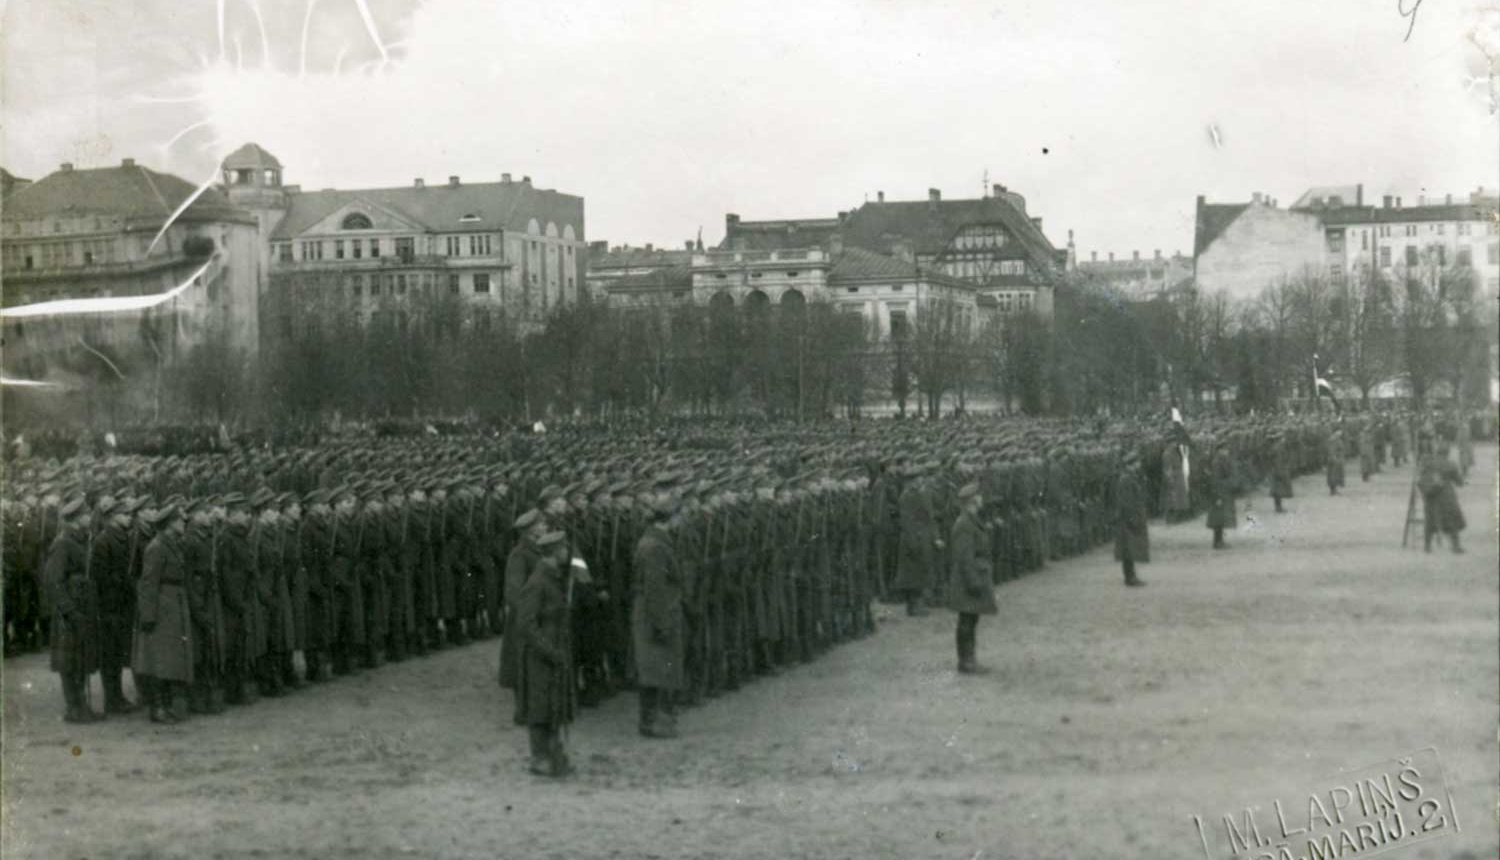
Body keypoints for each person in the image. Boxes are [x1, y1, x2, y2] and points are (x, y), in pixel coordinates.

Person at [514, 530, 576, 777]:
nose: (566, 553)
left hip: (554, 650)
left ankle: (553, 753)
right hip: (542, 655)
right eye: (563, 549)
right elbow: (526, 623)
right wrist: (549, 651)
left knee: (553, 703)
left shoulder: (553, 577)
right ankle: (539, 757)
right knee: (540, 706)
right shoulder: (538, 582)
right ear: (553, 553)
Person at [133, 501, 194, 724]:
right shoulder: (156, 547)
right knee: (158, 658)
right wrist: (148, 615)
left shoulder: (172, 543)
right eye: (180, 520)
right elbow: (148, 583)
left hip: (174, 603)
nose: (184, 523)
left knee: (170, 657)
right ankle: (157, 708)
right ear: (169, 524)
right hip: (163, 606)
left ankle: (167, 705)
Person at [44, 496, 103, 723]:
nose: (90, 517)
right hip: (68, 612)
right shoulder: (63, 543)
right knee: (69, 661)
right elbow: (53, 581)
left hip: (82, 607)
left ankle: (81, 705)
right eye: (86, 514)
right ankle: (74, 708)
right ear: (76, 519)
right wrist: (69, 610)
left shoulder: (80, 539)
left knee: (79, 657)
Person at [632, 490, 685, 739]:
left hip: (656, 612)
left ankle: (656, 719)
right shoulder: (655, 546)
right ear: (669, 518)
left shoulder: (655, 541)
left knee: (658, 667)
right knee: (653, 669)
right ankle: (650, 722)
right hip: (655, 614)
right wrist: (662, 623)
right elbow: (655, 589)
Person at [947, 483, 995, 673]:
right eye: (979, 497)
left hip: (972, 577)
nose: (982, 500)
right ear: (972, 501)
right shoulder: (964, 524)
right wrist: (973, 581)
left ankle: (969, 659)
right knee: (967, 620)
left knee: (971, 620)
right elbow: (964, 557)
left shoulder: (970, 520)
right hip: (967, 580)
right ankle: (966, 662)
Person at [1418, 442, 1466, 554]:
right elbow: (1460, 482)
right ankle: (1456, 546)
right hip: (1447, 495)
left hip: (1432, 496)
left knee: (1430, 520)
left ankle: (1427, 546)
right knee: (1452, 519)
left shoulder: (1430, 462)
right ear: (1448, 453)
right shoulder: (1451, 464)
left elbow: (1422, 477)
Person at [1112, 451, 1149, 587]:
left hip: (1129, 517)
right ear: (1131, 464)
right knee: (1128, 549)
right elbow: (1126, 502)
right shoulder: (1126, 479)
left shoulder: (1129, 477)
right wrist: (1132, 518)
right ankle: (1129, 577)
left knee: (1130, 548)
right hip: (1128, 518)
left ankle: (1131, 575)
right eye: (1137, 462)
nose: (1139, 464)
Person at [1204, 439, 1237, 550]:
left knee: (1221, 518)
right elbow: (1215, 480)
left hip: (1223, 492)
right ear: (1219, 450)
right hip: (1219, 493)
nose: (1227, 451)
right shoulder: (1217, 462)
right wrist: (1217, 496)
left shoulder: (1221, 460)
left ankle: (1219, 541)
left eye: (1227, 449)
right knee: (1218, 519)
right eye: (1224, 449)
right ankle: (1217, 542)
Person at [1268, 432, 1294, 514]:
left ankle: (1278, 507)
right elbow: (1278, 460)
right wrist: (1280, 472)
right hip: (1279, 470)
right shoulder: (1279, 448)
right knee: (1279, 490)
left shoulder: (1275, 447)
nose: (1284, 439)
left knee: (1277, 490)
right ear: (1281, 438)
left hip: (1275, 470)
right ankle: (1278, 507)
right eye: (1283, 438)